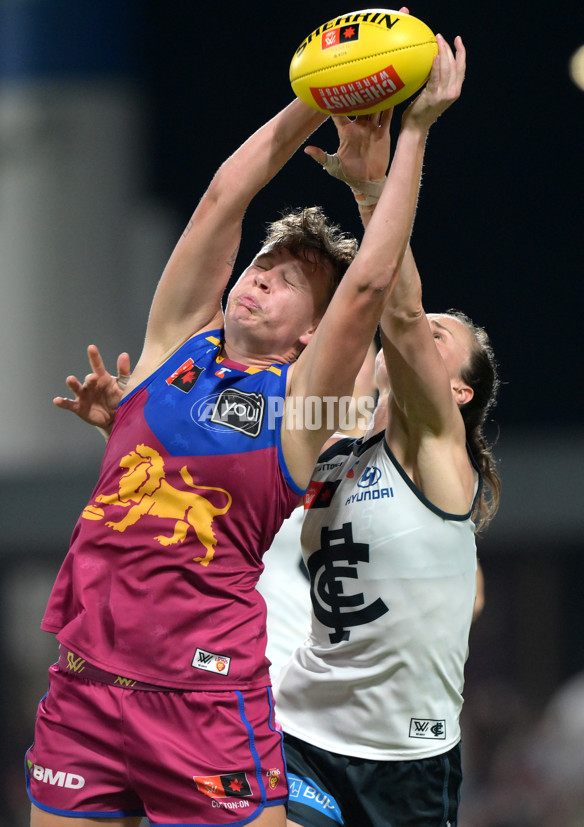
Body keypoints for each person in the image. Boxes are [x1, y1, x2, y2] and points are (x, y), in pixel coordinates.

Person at [30, 32, 466, 827]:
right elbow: (221, 198)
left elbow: (369, 282)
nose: (260, 277)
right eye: (262, 264)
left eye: (288, 279)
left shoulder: (300, 407)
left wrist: (415, 131)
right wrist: (316, 94)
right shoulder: (170, 350)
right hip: (83, 688)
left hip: (202, 702)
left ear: (311, 333)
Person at [272, 79, 500, 827]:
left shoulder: (437, 451)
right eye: (424, 330)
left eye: (441, 339)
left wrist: (390, 165)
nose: (418, 338)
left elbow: (397, 313)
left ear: (458, 392)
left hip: (406, 758)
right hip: (298, 730)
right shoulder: (331, 440)